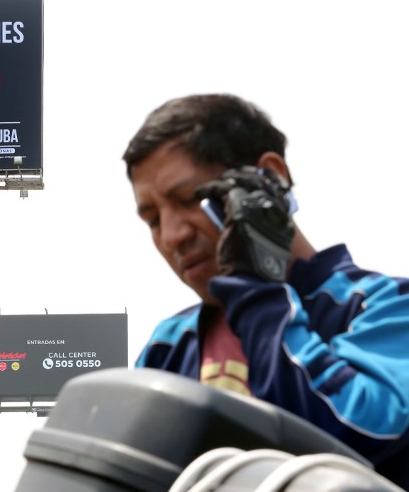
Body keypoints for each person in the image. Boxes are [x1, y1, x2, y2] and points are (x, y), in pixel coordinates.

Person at [122, 93, 409, 488]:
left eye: (189, 199)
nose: (172, 236)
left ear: (271, 177)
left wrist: (255, 289)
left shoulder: (385, 307)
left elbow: (352, 440)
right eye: (152, 220)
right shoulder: (168, 346)